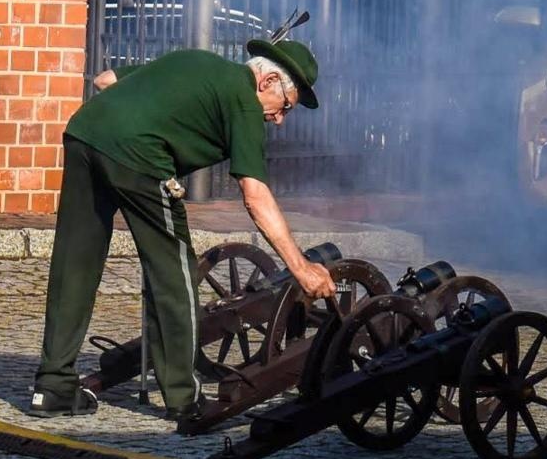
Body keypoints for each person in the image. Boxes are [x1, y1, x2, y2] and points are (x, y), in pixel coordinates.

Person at [28, 37, 336, 425]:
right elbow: (255, 196)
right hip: (139, 157)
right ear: (268, 81)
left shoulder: (197, 61)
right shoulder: (244, 101)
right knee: (174, 273)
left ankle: (53, 387)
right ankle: (184, 399)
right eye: (286, 106)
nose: (279, 119)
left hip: (85, 132)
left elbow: (106, 80)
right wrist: (300, 267)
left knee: (76, 261)